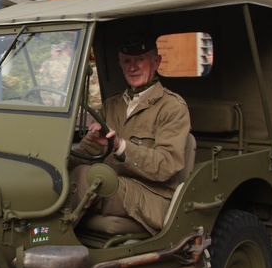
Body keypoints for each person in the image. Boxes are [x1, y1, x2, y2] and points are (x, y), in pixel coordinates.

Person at [70, 34, 191, 234]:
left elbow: (168, 163)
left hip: (150, 196)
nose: (133, 67)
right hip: (114, 185)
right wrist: (57, 162)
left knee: (86, 176)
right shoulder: (112, 105)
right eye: (127, 61)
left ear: (156, 62)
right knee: (57, 175)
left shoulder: (172, 107)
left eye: (140, 60)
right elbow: (88, 151)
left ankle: (53, 243)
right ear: (120, 64)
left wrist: (120, 146)